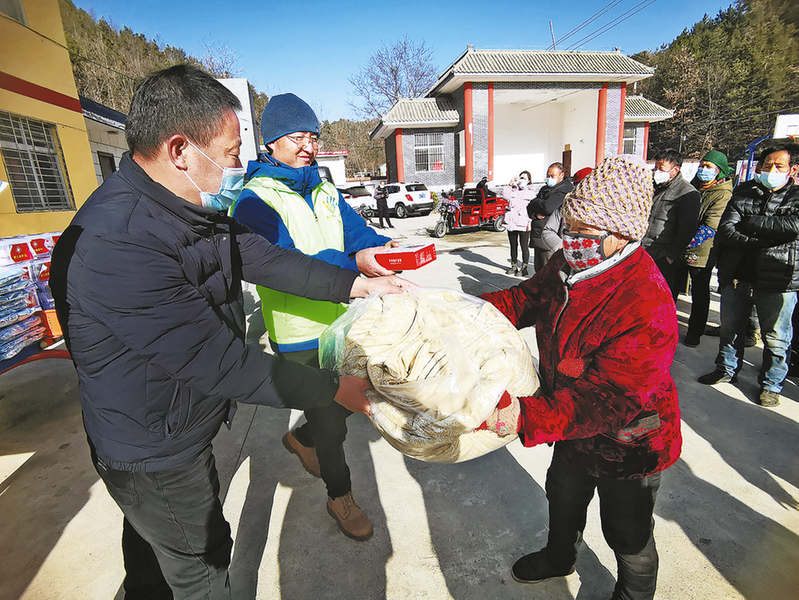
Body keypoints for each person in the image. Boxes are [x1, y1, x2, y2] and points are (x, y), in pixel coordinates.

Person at [48, 65, 411, 599]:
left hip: (179, 421)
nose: (240, 163)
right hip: (153, 446)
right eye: (231, 150)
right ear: (180, 150)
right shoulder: (121, 243)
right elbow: (219, 361)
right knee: (201, 566)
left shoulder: (189, 209)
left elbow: (268, 259)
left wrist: (357, 285)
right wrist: (334, 390)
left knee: (154, 552)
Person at [479, 155, 681, 600]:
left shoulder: (647, 301)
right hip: (570, 427)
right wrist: (468, 313)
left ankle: (633, 594)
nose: (569, 241)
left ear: (622, 235)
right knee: (563, 497)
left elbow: (610, 398)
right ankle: (559, 557)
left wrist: (524, 417)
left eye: (582, 234)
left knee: (627, 533)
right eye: (567, 229)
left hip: (629, 443)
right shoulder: (569, 265)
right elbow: (524, 299)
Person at [230, 93, 397, 541]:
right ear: (271, 144)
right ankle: (339, 494)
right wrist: (353, 267)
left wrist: (376, 249)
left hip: (342, 320)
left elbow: (354, 231)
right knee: (329, 418)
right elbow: (287, 262)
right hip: (299, 333)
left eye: (313, 136)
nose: (308, 145)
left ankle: (299, 439)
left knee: (346, 403)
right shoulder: (253, 202)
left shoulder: (323, 188)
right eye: (296, 136)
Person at [698, 142, 799, 408]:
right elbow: (728, 230)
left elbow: (794, 227)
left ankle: (771, 385)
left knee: (777, 338)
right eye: (767, 166)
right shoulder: (743, 192)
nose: (771, 170)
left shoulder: (796, 197)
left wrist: (751, 223)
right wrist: (766, 237)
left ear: (793, 169)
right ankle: (726, 369)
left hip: (778, 280)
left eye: (779, 166)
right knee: (731, 330)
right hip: (737, 276)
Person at [676, 150, 734, 347]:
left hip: (702, 250)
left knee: (699, 293)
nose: (703, 170)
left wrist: (683, 241)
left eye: (708, 167)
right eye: (702, 165)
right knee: (672, 288)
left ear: (719, 171)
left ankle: (695, 332)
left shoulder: (722, 194)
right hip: (680, 247)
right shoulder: (693, 187)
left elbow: (710, 226)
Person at [642, 148, 701, 298]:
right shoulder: (654, 187)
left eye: (661, 168)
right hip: (645, 251)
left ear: (676, 170)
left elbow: (687, 229)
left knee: (661, 298)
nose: (656, 172)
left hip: (663, 256)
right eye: (655, 167)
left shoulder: (687, 193)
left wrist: (670, 257)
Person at [527, 162, 573, 272]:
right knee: (538, 271)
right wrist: (535, 213)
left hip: (548, 239)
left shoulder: (564, 189)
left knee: (547, 271)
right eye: (548, 175)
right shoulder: (544, 189)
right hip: (537, 236)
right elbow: (530, 206)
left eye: (553, 176)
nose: (549, 178)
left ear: (561, 175)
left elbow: (548, 207)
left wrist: (536, 203)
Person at [541, 166, 593, 258]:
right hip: (567, 258)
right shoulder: (565, 206)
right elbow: (548, 230)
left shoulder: (607, 209)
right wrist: (561, 247)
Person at [501, 171, 535, 276]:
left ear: (529, 180)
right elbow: (504, 195)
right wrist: (510, 184)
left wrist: (530, 222)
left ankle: (524, 268)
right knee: (513, 246)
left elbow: (532, 209)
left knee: (524, 246)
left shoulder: (531, 193)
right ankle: (514, 266)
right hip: (511, 222)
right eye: (521, 177)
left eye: (524, 178)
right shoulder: (513, 191)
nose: (522, 180)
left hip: (523, 222)